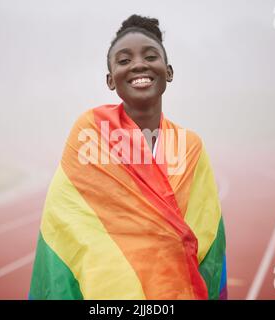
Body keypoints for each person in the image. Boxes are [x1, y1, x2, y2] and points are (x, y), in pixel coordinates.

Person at [29, 14, 227, 300]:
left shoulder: (190, 146)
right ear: (111, 80)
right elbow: (65, 222)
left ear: (168, 71)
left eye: (150, 56)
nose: (138, 65)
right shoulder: (88, 137)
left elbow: (208, 230)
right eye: (123, 61)